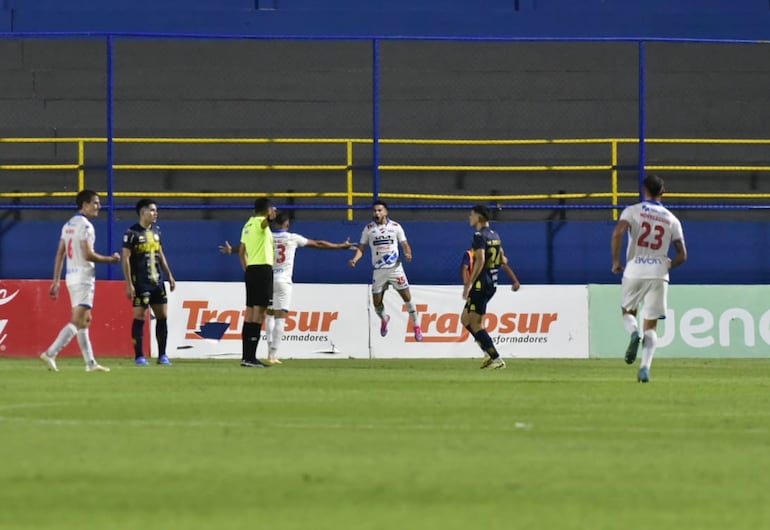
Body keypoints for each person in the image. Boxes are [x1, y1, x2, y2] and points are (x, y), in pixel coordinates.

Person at [220, 212, 354, 363]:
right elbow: (318, 244)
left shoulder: (267, 236)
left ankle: (266, 352)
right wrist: (341, 246)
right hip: (284, 281)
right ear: (287, 224)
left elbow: (248, 245)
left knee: (268, 315)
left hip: (268, 278)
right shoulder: (292, 238)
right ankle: (273, 354)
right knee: (280, 318)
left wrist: (232, 250)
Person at [611, 174, 687, 383]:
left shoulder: (632, 211)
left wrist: (616, 261)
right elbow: (683, 254)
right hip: (659, 273)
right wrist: (669, 263)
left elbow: (618, 232)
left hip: (635, 268)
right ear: (663, 193)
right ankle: (645, 368)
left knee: (628, 311)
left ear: (644, 190)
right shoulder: (672, 219)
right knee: (651, 326)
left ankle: (633, 332)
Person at [39, 189, 120, 373]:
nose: (99, 206)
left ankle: (90, 363)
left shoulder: (68, 225)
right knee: (76, 321)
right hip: (83, 278)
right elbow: (88, 254)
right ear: (84, 204)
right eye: (95, 203)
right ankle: (51, 353)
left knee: (86, 319)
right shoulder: (86, 226)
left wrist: (56, 280)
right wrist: (111, 260)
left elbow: (60, 253)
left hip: (71, 277)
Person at [348, 200, 422, 341]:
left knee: (407, 298)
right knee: (376, 303)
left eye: (380, 210)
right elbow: (361, 248)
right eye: (375, 210)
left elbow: (405, 244)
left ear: (386, 212)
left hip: (395, 269)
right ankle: (384, 319)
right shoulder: (369, 229)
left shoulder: (395, 227)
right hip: (379, 271)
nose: (377, 213)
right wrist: (355, 259)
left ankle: (417, 326)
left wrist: (408, 253)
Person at [121, 198, 176, 366]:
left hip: (157, 282)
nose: (155, 213)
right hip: (141, 283)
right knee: (140, 316)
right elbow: (125, 259)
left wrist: (170, 276)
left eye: (155, 210)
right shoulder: (132, 233)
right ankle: (139, 356)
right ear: (142, 212)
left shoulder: (157, 231)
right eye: (152, 210)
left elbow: (160, 254)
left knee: (162, 316)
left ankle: (163, 355)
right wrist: (129, 284)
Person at [461, 205, 510, 369]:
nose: (470, 218)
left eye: (472, 215)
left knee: (476, 324)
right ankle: (487, 352)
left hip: (482, 283)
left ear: (479, 218)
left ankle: (496, 359)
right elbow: (503, 259)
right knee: (465, 319)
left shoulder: (479, 236)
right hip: (492, 280)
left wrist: (469, 283)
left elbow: (480, 259)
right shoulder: (495, 235)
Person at [238, 198, 277, 367]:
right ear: (267, 210)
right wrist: (270, 219)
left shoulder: (247, 225)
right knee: (259, 314)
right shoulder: (262, 223)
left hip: (252, 270)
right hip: (263, 270)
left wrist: (248, 269)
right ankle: (251, 358)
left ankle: (246, 357)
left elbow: (241, 252)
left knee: (249, 314)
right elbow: (264, 225)